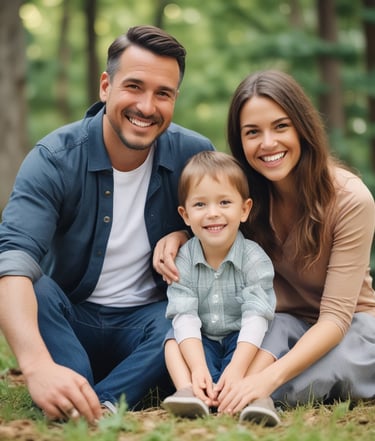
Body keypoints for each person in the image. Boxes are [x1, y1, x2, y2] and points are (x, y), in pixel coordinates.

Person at [0, 25, 215, 423]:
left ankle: (95, 404)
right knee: (35, 287)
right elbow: (11, 262)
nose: (147, 106)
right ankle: (73, 383)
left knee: (185, 311)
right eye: (134, 86)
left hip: (151, 327)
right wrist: (35, 367)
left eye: (163, 93)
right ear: (105, 86)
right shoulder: (54, 158)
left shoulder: (195, 155)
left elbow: (234, 234)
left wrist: (187, 233)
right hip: (70, 319)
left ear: (174, 100)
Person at [154, 70, 375, 416]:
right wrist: (182, 235)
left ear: (303, 127)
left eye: (281, 126)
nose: (268, 143)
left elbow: (335, 318)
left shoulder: (350, 199)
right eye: (252, 132)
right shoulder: (246, 196)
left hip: (346, 329)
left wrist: (267, 380)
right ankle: (225, 391)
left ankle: (249, 394)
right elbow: (214, 220)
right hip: (278, 325)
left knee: (292, 383)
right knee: (238, 359)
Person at [160, 151, 279, 425]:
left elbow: (256, 316)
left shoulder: (254, 258)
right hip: (203, 340)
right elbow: (185, 314)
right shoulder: (184, 259)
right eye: (200, 205)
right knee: (170, 340)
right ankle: (189, 390)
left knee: (269, 343)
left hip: (244, 340)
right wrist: (198, 366)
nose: (213, 213)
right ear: (185, 215)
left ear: (245, 209)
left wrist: (237, 368)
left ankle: (256, 396)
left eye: (225, 202)